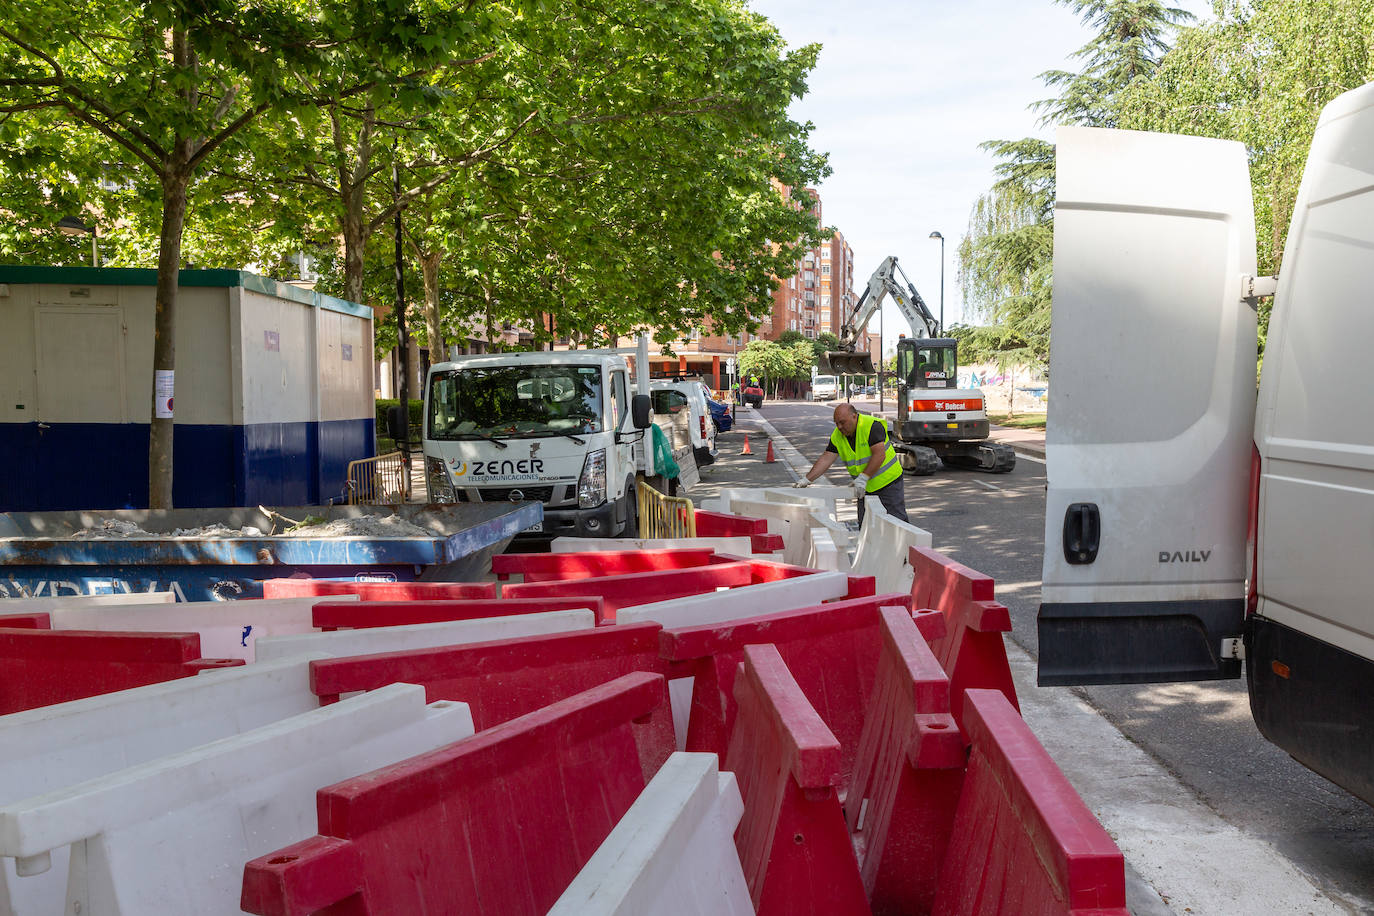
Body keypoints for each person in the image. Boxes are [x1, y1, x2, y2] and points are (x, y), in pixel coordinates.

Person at [793, 403, 908, 525]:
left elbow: (879, 455)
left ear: (854, 416)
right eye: (836, 423)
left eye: (842, 422)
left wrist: (863, 478)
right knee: (866, 527)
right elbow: (826, 458)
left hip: (888, 484)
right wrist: (806, 480)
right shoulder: (837, 435)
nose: (839, 427)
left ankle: (905, 545)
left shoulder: (871, 426)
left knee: (897, 524)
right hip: (864, 488)